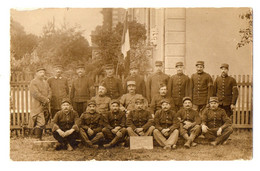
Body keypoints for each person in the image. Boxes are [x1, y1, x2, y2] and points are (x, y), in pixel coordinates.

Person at [29, 67, 51, 140]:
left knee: (44, 120)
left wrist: (48, 98)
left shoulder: (45, 82)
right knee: (39, 120)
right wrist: (45, 99)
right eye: (40, 72)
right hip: (37, 104)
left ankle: (39, 138)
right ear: (36, 73)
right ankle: (37, 138)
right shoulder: (33, 82)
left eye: (43, 73)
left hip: (45, 105)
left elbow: (50, 91)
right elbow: (35, 93)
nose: (42, 74)